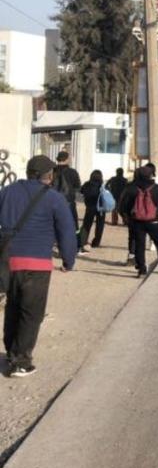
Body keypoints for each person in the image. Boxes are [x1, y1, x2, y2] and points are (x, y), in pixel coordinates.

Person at [0, 155, 77, 378]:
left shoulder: (7, 192)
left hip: (9, 262)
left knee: (13, 306)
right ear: (49, 175)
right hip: (37, 264)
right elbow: (66, 232)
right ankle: (21, 362)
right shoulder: (55, 198)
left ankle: (12, 351)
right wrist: (68, 260)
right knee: (31, 312)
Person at [122, 166, 158, 277]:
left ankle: (142, 270)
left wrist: (129, 217)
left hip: (137, 221)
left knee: (139, 245)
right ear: (150, 175)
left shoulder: (131, 188)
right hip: (153, 221)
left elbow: (124, 206)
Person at [53, 151, 81, 245]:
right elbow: (77, 186)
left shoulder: (52, 171)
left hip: (53, 201)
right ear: (67, 159)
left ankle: (55, 242)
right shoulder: (72, 172)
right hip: (69, 201)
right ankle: (77, 244)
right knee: (73, 224)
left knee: (54, 222)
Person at [78, 170, 106, 251]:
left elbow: (81, 191)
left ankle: (83, 240)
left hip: (90, 207)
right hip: (100, 207)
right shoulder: (101, 185)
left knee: (86, 224)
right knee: (100, 225)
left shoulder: (87, 184)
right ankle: (96, 242)